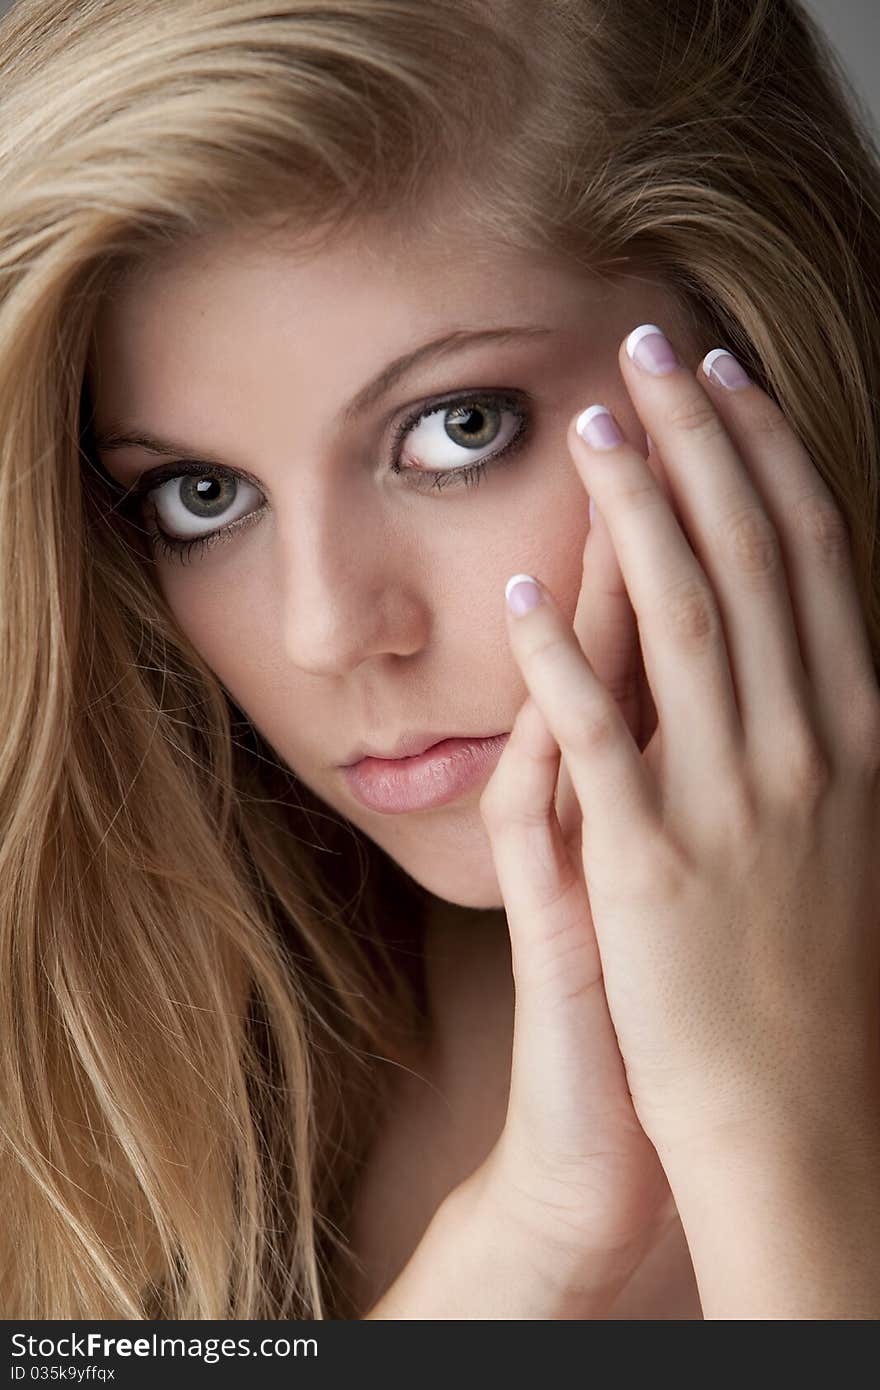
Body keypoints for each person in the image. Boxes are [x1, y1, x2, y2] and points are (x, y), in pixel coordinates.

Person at [0, 0, 877, 1321]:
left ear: (754, 335)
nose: (327, 632)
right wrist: (529, 1234)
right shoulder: (120, 1031)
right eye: (198, 495)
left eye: (460, 429)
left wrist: (770, 1135)